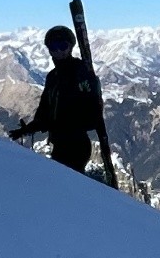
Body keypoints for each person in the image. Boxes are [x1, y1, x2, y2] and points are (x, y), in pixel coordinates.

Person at [8, 25, 104, 173]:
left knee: (66, 185)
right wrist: (28, 129)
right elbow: (45, 111)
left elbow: (93, 114)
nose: (58, 51)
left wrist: (69, 123)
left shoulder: (81, 72)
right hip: (59, 143)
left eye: (63, 46)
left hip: (77, 145)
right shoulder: (52, 77)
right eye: (54, 47)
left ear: (70, 47)